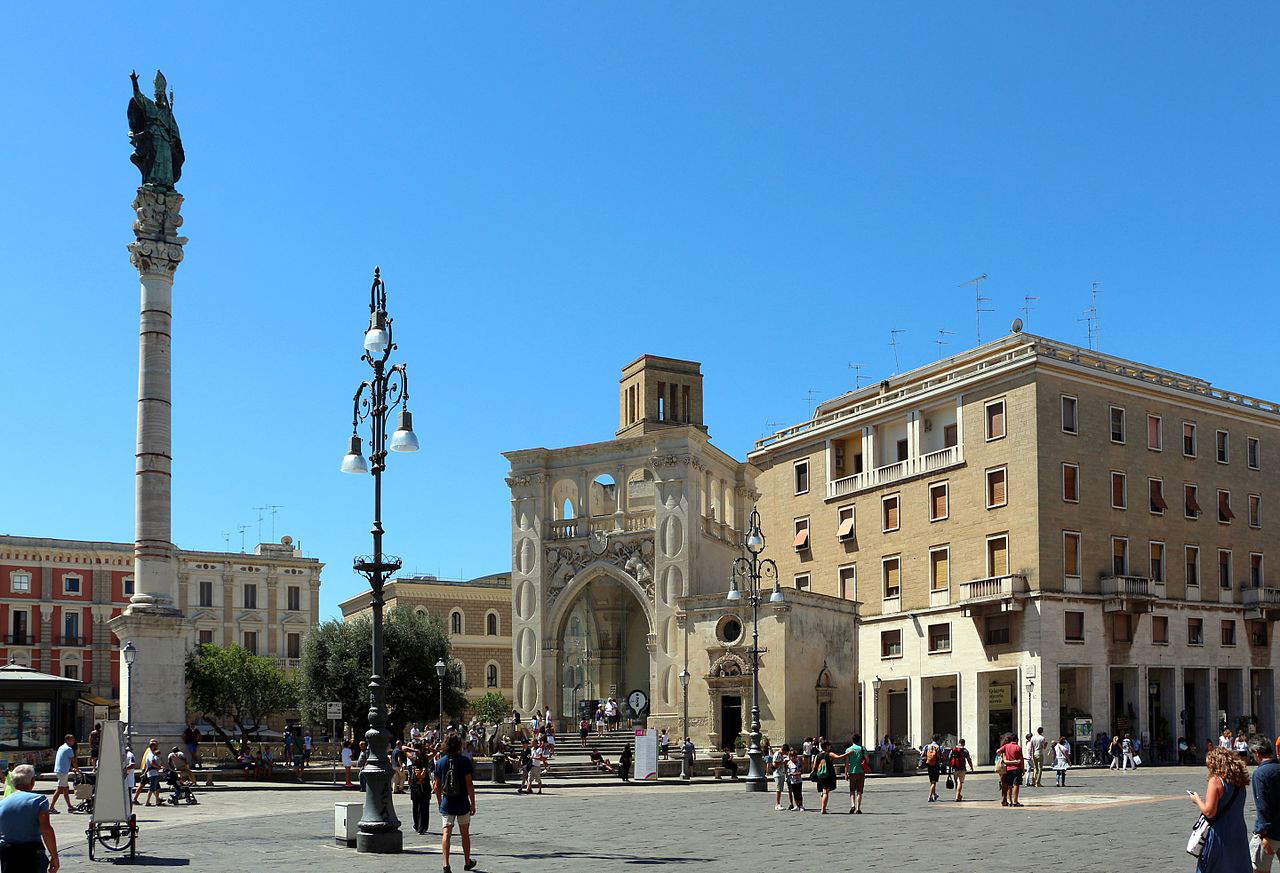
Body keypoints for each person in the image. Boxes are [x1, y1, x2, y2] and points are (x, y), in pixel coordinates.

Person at [1189, 746, 1251, 872]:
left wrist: (1197, 800)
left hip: (1220, 833)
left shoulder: (1216, 781)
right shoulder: (1239, 781)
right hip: (1238, 831)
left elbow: (1209, 812)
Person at [0, 764, 60, 873]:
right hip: (31, 852)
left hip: (8, 853)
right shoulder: (39, 800)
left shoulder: (3, 803)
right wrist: (54, 856)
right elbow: (46, 830)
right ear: (33, 781)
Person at [433, 734, 478, 873]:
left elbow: (436, 786)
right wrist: (473, 803)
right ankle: (467, 861)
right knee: (465, 833)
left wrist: (440, 802)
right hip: (462, 802)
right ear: (459, 745)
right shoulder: (465, 761)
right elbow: (469, 784)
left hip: (447, 803)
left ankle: (446, 864)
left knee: (446, 832)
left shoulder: (440, 762)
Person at [1251, 735, 1280, 873]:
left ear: (1257, 753)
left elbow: (1262, 805)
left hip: (1270, 832)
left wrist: (1263, 834)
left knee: (1259, 870)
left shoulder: (1260, 773)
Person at [49, 735, 78, 814]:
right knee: (60, 789)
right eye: (72, 740)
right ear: (67, 740)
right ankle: (51, 807)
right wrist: (78, 770)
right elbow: (73, 761)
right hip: (63, 771)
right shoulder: (69, 749)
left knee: (65, 788)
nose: (73, 741)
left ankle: (69, 806)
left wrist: (72, 769)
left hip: (60, 770)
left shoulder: (62, 747)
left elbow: (63, 760)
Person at [409, 746, 432, 835]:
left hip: (416, 786)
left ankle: (417, 825)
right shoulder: (426, 758)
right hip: (424, 786)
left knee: (416, 806)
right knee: (424, 807)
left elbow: (403, 748)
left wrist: (413, 749)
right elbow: (434, 751)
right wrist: (427, 747)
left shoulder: (413, 759)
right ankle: (423, 826)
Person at [998, 732, 1024, 807]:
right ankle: (1015, 801)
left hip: (1008, 768)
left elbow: (998, 751)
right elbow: (1021, 759)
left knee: (1009, 785)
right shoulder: (1018, 747)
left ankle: (1010, 801)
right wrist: (1022, 769)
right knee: (1016, 784)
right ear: (1016, 740)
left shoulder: (1006, 746)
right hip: (1017, 768)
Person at [811, 741, 838, 813]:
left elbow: (814, 767)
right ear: (827, 746)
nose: (830, 747)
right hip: (828, 775)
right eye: (829, 746)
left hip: (820, 775)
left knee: (823, 791)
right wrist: (848, 753)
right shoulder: (829, 754)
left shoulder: (818, 755)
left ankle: (823, 807)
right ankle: (823, 809)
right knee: (826, 792)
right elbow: (839, 757)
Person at [768, 744, 789, 810]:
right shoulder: (777, 754)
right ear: (783, 750)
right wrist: (783, 762)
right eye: (786, 752)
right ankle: (777, 804)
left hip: (780, 773)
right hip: (778, 774)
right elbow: (775, 764)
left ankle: (778, 803)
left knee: (780, 789)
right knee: (778, 790)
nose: (786, 753)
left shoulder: (780, 754)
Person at [921, 735, 942, 802]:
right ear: (938, 740)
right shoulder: (938, 747)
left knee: (932, 781)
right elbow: (938, 757)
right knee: (934, 781)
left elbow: (922, 754)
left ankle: (934, 794)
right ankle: (930, 796)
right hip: (935, 765)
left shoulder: (927, 746)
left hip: (929, 764)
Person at [785, 746, 806, 811]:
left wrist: (796, 774)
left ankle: (801, 805)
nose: (793, 757)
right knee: (794, 793)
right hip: (792, 781)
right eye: (791, 756)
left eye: (794, 756)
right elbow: (787, 771)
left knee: (799, 793)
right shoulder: (789, 763)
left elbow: (801, 771)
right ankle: (797, 805)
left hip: (798, 780)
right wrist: (790, 774)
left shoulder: (798, 763)